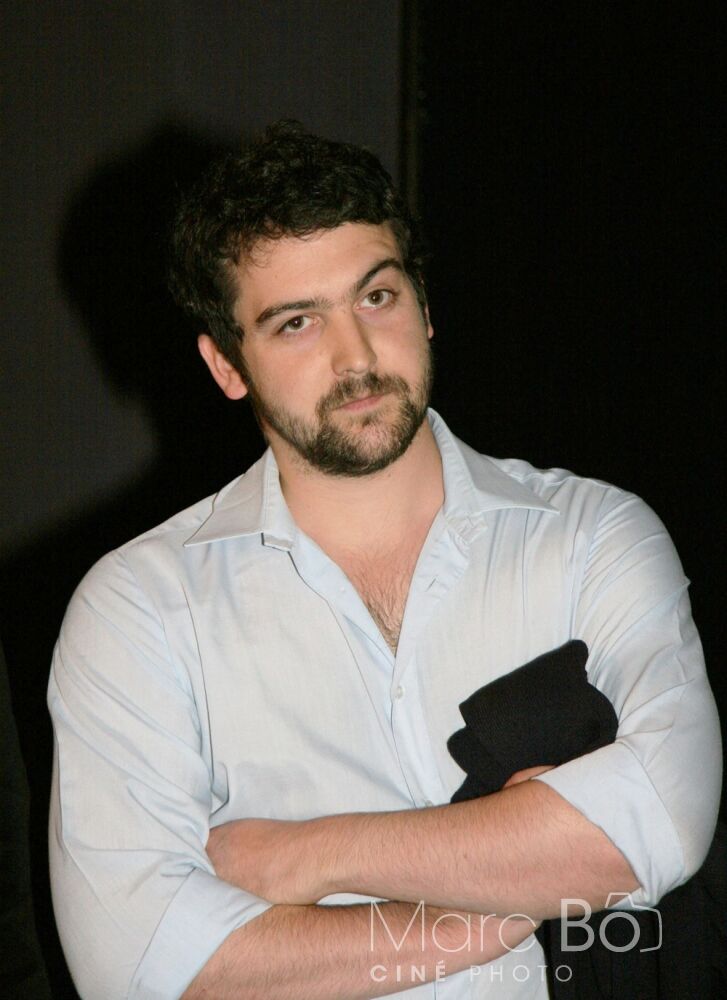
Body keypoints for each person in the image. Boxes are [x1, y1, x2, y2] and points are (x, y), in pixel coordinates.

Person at [48, 121, 722, 1000]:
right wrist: (508, 907)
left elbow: (662, 819)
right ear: (226, 366)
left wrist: (308, 856)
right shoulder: (140, 607)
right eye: (297, 322)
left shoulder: (591, 535)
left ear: (424, 305)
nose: (357, 356)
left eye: (376, 297)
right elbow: (147, 967)